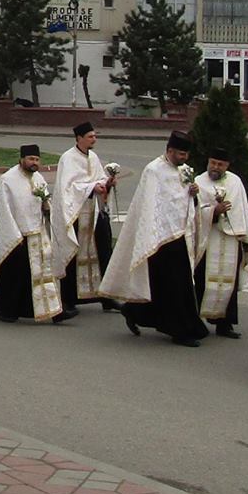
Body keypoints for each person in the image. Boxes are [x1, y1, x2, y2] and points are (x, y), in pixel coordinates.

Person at [101, 130, 205, 345]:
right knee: (171, 285)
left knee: (178, 284)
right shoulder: (153, 171)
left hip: (179, 233)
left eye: (186, 154)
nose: (184, 158)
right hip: (158, 237)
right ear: (169, 150)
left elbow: (181, 200)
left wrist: (193, 193)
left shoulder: (185, 171)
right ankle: (179, 331)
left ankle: (133, 311)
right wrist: (152, 234)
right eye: (180, 154)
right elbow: (148, 205)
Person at [0, 146, 70, 324]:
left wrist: (47, 208)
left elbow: (45, 202)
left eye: (37, 160)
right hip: (17, 235)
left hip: (37, 233)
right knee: (14, 275)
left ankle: (54, 311)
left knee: (45, 273)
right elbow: (3, 211)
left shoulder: (38, 178)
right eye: (31, 159)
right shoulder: (7, 180)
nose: (34, 163)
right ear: (22, 159)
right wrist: (14, 237)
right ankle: (5, 310)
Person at [52, 122, 117, 312]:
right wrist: (91, 188)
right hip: (75, 214)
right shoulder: (68, 158)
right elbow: (67, 188)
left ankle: (106, 297)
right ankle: (69, 300)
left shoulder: (94, 157)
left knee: (104, 251)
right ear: (79, 138)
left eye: (95, 136)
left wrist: (108, 183)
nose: (94, 139)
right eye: (90, 136)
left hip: (95, 212)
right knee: (73, 254)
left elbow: (97, 179)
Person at [192, 150, 248, 337]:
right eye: (213, 162)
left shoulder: (235, 182)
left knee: (229, 283)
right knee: (202, 280)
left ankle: (225, 324)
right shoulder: (199, 182)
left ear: (227, 166)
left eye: (220, 164)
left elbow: (241, 209)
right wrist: (214, 211)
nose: (215, 167)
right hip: (207, 239)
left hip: (230, 239)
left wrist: (244, 238)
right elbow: (194, 213)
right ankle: (196, 320)